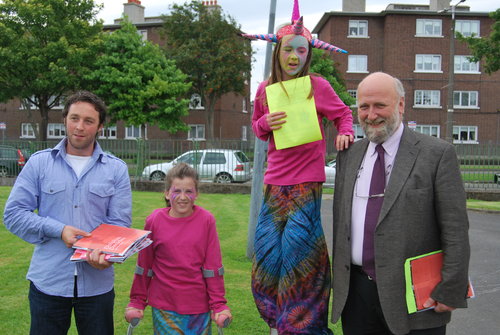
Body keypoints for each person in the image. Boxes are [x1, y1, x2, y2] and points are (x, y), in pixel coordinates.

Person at [241, 1, 353, 333]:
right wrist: (265, 122)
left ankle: (305, 325)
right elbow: (257, 127)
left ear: (308, 54)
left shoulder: (317, 85)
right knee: (266, 257)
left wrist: (345, 132)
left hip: (306, 184)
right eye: (288, 50)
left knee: (299, 256)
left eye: (301, 51)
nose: (294, 56)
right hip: (274, 183)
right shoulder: (265, 90)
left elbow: (343, 114)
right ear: (278, 53)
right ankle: (276, 318)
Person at [331, 71, 470, 335]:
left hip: (417, 297)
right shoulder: (349, 155)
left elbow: (455, 229)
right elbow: (342, 225)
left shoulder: (437, 154)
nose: (371, 115)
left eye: (380, 105)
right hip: (356, 296)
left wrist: (451, 289)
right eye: (364, 107)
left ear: (401, 105)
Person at [3, 91, 132, 335]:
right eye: (74, 118)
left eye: (88, 121)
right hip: (48, 283)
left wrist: (108, 257)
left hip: (97, 286)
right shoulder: (39, 163)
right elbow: (14, 214)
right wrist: (59, 230)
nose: (79, 127)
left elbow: (119, 225)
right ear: (64, 120)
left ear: (100, 126)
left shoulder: (116, 169)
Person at [125, 163, 232, 334]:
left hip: (198, 305)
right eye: (177, 191)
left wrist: (218, 304)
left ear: (196, 194)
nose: (183, 197)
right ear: (167, 193)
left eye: (189, 191)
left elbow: (213, 267)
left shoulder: (206, 221)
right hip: (164, 306)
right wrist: (137, 301)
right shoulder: (154, 221)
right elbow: (144, 265)